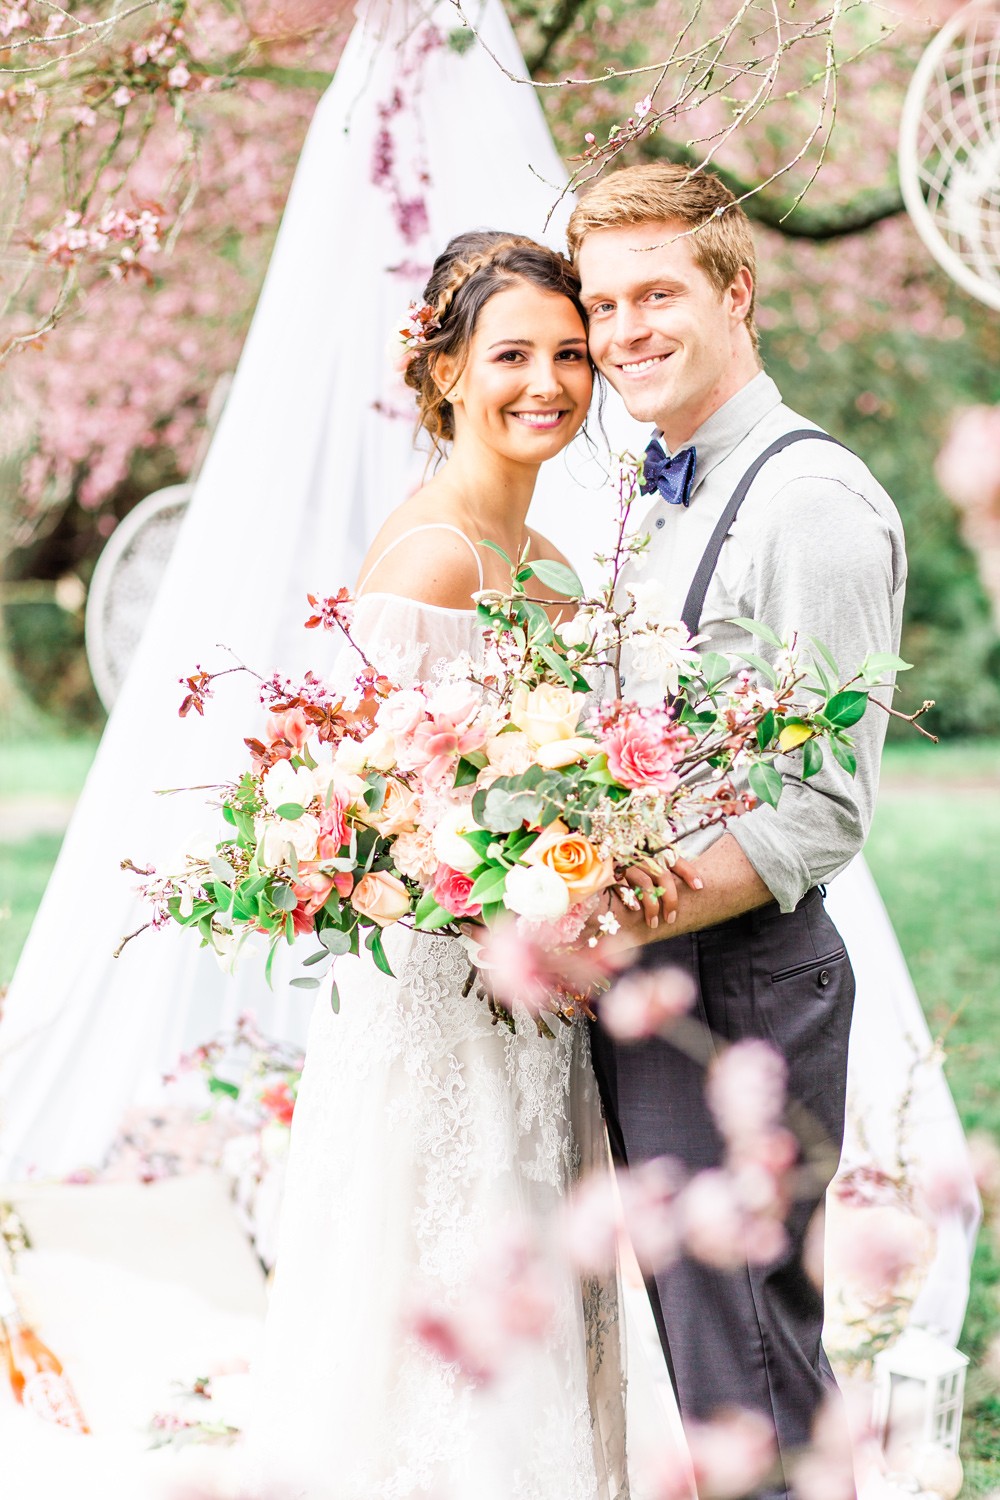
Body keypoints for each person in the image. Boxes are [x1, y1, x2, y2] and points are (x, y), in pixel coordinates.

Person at [240, 231, 629, 1500]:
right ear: (447, 371)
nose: (548, 384)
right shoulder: (430, 559)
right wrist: (488, 900)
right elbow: (357, 824)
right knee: (441, 1276)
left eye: (571, 356)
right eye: (512, 353)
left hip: (540, 1003)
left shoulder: (561, 575)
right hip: (437, 1003)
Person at [568, 163, 907, 1491]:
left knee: (746, 1378)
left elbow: (817, 812)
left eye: (660, 293)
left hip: (738, 988)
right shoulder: (654, 489)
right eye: (605, 303)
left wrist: (596, 916)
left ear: (737, 292)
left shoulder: (806, 500)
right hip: (653, 974)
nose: (625, 332)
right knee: (690, 1361)